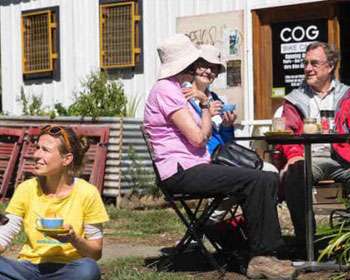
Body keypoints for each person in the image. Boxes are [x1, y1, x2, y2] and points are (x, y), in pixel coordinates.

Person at [144, 33, 296, 279]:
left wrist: (206, 113)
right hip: (180, 171)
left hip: (197, 164)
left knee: (264, 177)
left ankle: (264, 254)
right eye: (195, 61)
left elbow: (203, 134)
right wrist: (205, 110)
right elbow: (198, 138)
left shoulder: (176, 90)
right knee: (258, 179)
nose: (199, 67)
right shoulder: (165, 90)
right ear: (187, 64)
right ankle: (262, 256)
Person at [0, 125, 109, 280]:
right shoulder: (26, 189)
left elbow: (95, 253)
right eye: (37, 148)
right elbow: (4, 235)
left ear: (66, 159)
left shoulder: (87, 192)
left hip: (68, 269)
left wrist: (73, 238)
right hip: (28, 268)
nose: (36, 154)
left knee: (88, 269)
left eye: (45, 150)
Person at [277, 41, 350, 249]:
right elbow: (286, 131)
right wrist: (293, 155)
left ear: (330, 66)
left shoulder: (347, 94)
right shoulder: (294, 99)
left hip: (343, 156)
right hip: (310, 156)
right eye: (306, 63)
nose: (308, 68)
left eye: (314, 63)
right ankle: (307, 242)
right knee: (294, 174)